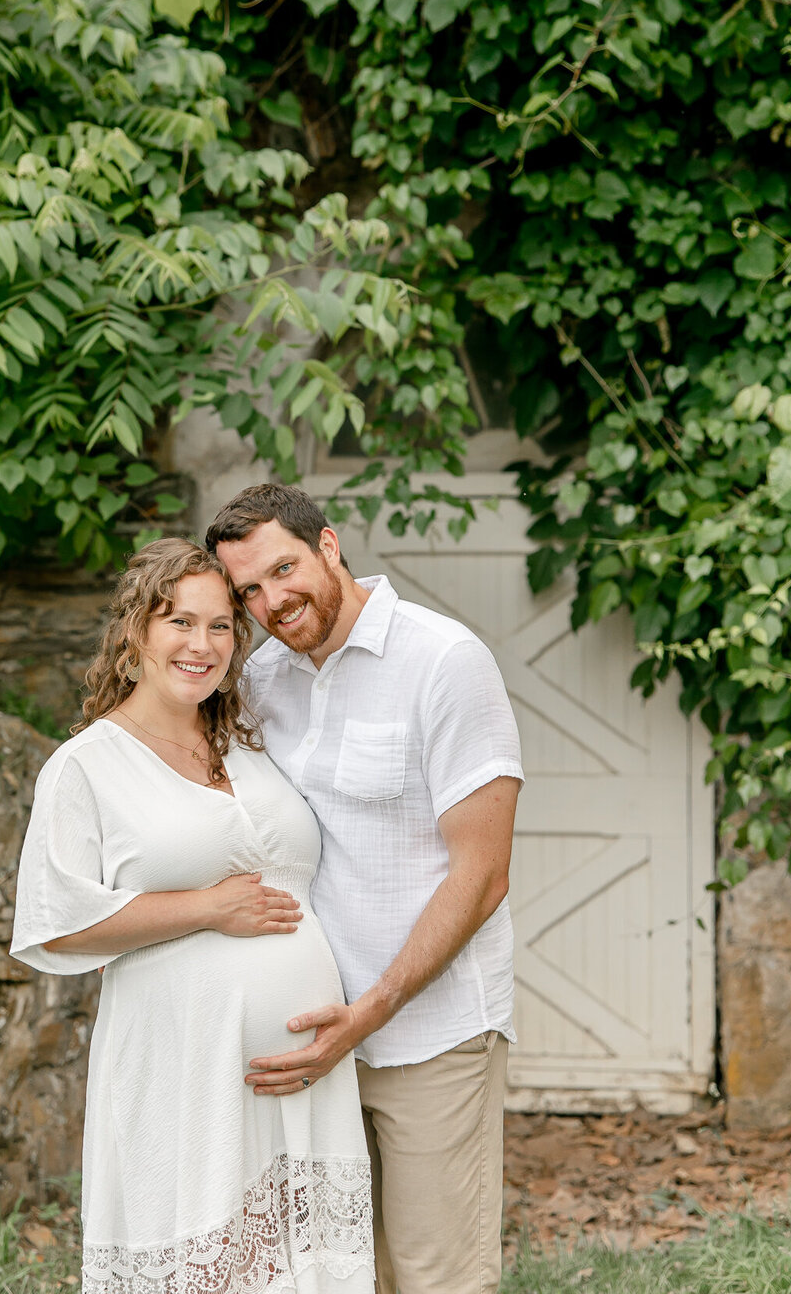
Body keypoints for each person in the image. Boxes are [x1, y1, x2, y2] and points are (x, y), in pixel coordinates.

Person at [10, 537, 374, 1294]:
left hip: (302, 1074)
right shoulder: (86, 766)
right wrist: (205, 908)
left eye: (219, 627)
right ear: (136, 629)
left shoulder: (243, 740)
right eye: (179, 621)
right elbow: (53, 922)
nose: (200, 644)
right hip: (182, 1060)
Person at [207, 485, 524, 1294]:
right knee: (336, 1275)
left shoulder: (443, 661)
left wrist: (370, 1012)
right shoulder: (262, 680)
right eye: (248, 591)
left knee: (436, 1277)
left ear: (331, 547)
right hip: (310, 1035)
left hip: (431, 1034)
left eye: (284, 569)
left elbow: (483, 875)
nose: (272, 602)